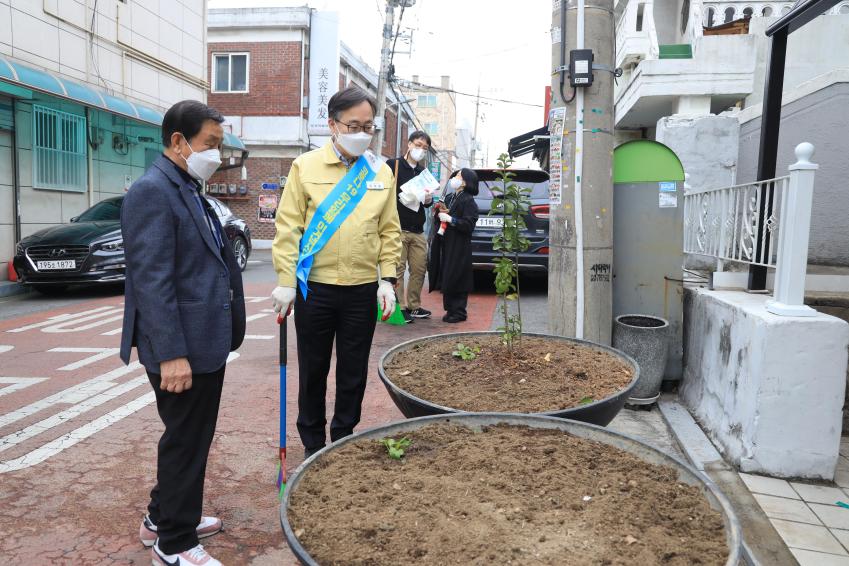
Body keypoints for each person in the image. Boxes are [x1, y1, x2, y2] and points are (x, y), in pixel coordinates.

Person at [120, 100, 246, 566]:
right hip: (181, 346)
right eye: (210, 144)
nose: (217, 153)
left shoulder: (185, 186)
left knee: (189, 435)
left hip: (202, 340)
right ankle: (174, 544)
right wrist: (171, 353)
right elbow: (151, 281)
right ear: (179, 142)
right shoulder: (154, 191)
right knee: (185, 440)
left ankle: (162, 517)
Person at [271, 86, 401, 459]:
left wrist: (387, 280)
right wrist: (285, 281)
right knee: (313, 369)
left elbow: (389, 230)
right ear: (332, 125)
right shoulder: (305, 166)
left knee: (353, 371)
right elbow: (288, 228)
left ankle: (344, 434)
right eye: (353, 125)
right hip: (315, 288)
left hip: (361, 289)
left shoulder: (380, 172)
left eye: (368, 126)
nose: (362, 133)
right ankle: (312, 442)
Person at [386, 130, 434, 324]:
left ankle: (414, 306)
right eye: (418, 145)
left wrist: (429, 199)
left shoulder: (424, 172)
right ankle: (400, 308)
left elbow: (427, 202)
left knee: (419, 268)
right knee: (397, 270)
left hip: (417, 229)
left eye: (425, 148)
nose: (421, 150)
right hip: (397, 227)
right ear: (409, 144)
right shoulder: (393, 165)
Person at [429, 168, 479, 322]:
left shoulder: (468, 200)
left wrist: (451, 220)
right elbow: (442, 215)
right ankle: (450, 309)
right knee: (447, 274)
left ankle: (459, 312)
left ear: (465, 182)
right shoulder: (451, 197)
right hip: (447, 242)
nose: (454, 179)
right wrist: (439, 213)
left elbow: (469, 224)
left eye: (458, 176)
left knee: (458, 275)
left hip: (459, 245)